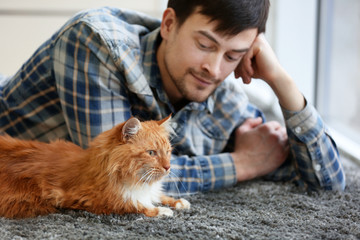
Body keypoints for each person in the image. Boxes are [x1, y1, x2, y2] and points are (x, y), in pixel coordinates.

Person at [0, 0, 345, 195]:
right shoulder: (96, 42)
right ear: (168, 24)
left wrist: (282, 82)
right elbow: (110, 179)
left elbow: (327, 181)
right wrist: (244, 163)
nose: (214, 69)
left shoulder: (223, 97)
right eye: (205, 45)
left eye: (232, 56)